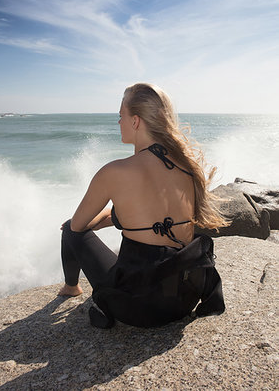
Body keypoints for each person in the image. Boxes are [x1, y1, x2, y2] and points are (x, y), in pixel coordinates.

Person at [59, 83, 227, 328]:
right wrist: (115, 218)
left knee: (70, 231)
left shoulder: (114, 171)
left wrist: (102, 221)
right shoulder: (186, 166)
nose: (118, 122)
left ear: (135, 121)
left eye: (120, 116)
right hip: (184, 299)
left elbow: (78, 225)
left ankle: (71, 287)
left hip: (139, 307)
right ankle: (72, 287)